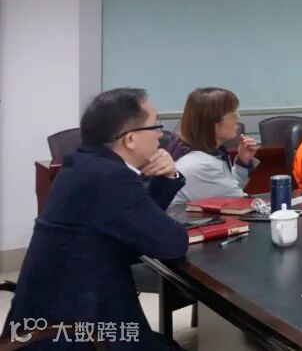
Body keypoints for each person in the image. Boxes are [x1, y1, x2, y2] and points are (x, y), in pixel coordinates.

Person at [3, 88, 189, 350]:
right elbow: (171, 242)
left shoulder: (83, 164)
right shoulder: (109, 178)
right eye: (156, 126)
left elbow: (138, 226)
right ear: (130, 139)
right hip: (74, 334)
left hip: (48, 323)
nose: (162, 134)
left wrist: (166, 176)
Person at [166, 87, 260, 207]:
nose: (237, 119)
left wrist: (243, 162)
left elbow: (226, 187)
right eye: (233, 114)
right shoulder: (199, 165)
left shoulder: (205, 154)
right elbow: (237, 202)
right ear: (212, 122)